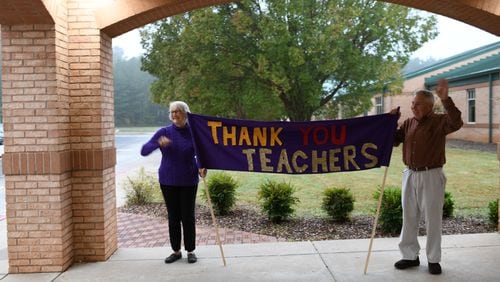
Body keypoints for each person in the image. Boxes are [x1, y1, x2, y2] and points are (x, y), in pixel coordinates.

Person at [390, 79, 463, 275]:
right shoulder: (408, 124)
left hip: (431, 175)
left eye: (418, 104)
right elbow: (393, 141)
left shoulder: (440, 121)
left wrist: (446, 99)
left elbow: (456, 122)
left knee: (432, 218)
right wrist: (389, 123)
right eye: (412, 104)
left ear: (430, 106)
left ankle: (433, 259)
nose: (413, 107)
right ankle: (409, 256)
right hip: (410, 174)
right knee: (409, 216)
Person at [141, 101, 206, 264]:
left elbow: (201, 154)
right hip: (168, 180)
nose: (174, 115)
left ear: (185, 113)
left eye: (177, 111)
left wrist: (202, 167)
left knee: (188, 217)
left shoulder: (194, 132)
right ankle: (176, 251)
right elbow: (144, 150)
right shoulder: (164, 132)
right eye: (172, 112)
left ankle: (191, 250)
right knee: (173, 217)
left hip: (189, 179)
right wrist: (157, 143)